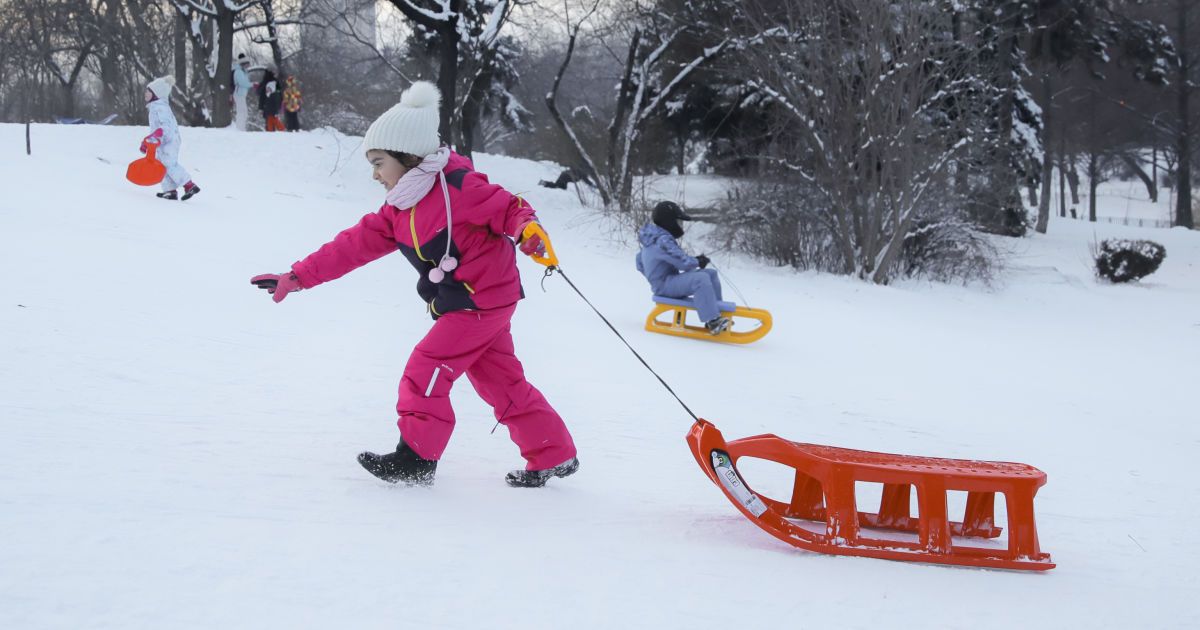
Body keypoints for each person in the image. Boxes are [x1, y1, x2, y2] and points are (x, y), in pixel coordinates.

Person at [250, 81, 579, 488]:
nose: (374, 174)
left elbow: (510, 208)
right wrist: (297, 276)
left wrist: (529, 230)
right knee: (501, 382)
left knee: (426, 368)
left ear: (408, 156)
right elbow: (351, 246)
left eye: (378, 162)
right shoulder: (400, 207)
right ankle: (554, 452)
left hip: (480, 302)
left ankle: (417, 459)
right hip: (473, 302)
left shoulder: (459, 187)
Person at [636, 201, 729, 334]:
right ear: (669, 222)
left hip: (666, 282)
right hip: (665, 285)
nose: (680, 226)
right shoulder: (661, 240)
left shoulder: (651, 240)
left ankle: (716, 312)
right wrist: (697, 262)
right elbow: (683, 263)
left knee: (710, 274)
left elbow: (639, 262)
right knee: (701, 278)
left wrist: (653, 276)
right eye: (678, 222)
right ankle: (713, 321)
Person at [142, 76, 200, 201]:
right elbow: (156, 130)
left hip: (170, 141)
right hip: (162, 142)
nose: (145, 93)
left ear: (156, 94)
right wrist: (147, 143)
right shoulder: (154, 107)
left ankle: (189, 184)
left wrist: (157, 134)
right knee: (161, 165)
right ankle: (170, 191)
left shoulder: (161, 108)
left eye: (149, 91)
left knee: (169, 164)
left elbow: (165, 127)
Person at [231, 54, 253, 131]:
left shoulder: (243, 72)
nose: (248, 65)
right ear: (243, 63)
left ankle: (241, 128)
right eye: (247, 64)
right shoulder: (238, 71)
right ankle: (239, 129)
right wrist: (252, 84)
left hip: (241, 94)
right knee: (241, 112)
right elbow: (242, 82)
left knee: (244, 112)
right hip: (238, 94)